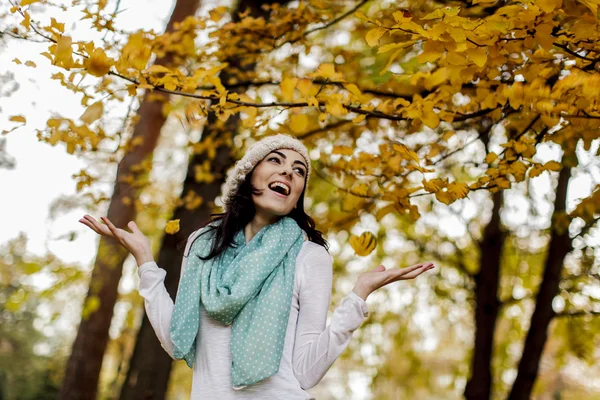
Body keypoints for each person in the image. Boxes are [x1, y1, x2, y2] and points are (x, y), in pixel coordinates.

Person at [79, 133, 435, 399]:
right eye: (276, 161)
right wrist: (145, 262)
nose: (289, 173)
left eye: (298, 171)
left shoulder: (310, 256)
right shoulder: (203, 245)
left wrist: (358, 297)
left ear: (297, 194)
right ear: (249, 174)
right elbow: (176, 340)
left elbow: (307, 372)